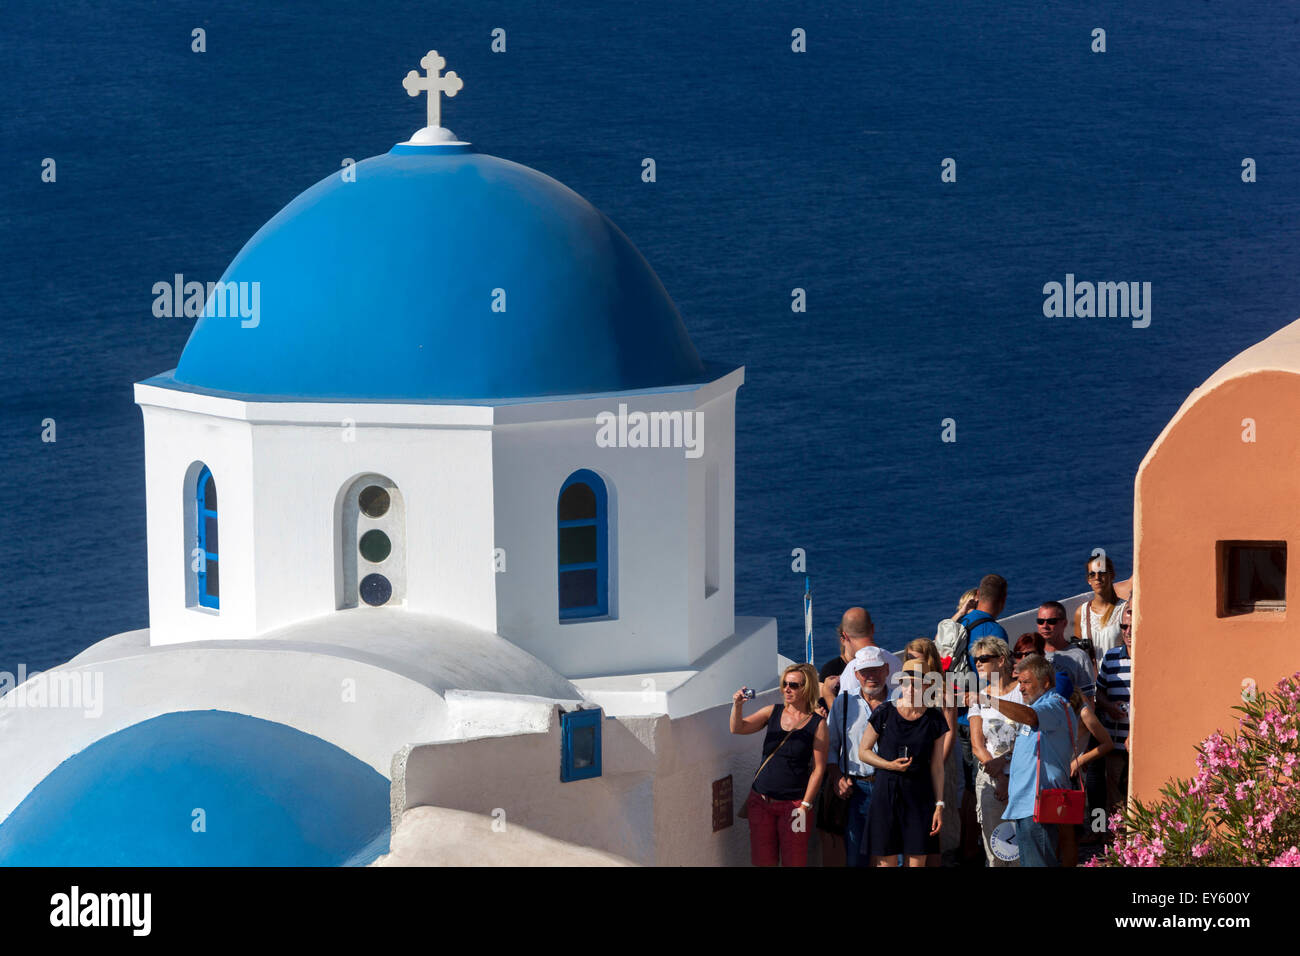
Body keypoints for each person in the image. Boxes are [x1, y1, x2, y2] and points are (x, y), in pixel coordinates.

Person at [731, 663, 828, 866]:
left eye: (793, 685)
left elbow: (819, 768)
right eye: (784, 683)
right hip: (761, 801)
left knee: (795, 860)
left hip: (794, 806)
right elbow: (738, 728)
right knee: (762, 860)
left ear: (806, 688)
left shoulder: (816, 723)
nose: (787, 689)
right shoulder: (772, 712)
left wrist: (805, 805)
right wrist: (737, 705)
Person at [984, 652, 1073, 867]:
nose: (1021, 688)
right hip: (1026, 804)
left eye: (1026, 682)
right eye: (1019, 682)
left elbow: (1031, 718)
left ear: (1046, 682)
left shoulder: (1054, 705)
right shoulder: (1037, 708)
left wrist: (988, 700)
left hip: (1040, 804)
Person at [858, 659, 949, 867]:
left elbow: (937, 766)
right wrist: (889, 765)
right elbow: (863, 752)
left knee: (917, 861)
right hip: (887, 793)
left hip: (920, 796)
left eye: (916, 683)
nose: (909, 688)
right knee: (886, 862)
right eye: (906, 683)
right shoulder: (885, 713)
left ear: (927, 686)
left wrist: (939, 804)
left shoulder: (934, 719)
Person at [953, 575, 1009, 862]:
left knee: (965, 789)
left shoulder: (957, 625)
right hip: (984, 721)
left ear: (977, 595)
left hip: (957, 717)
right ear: (1002, 600)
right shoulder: (994, 630)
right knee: (985, 785)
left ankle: (966, 849)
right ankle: (989, 848)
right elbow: (999, 679)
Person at [826, 647, 890, 866]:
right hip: (856, 791)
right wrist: (836, 778)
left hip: (892, 786)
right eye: (865, 672)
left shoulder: (901, 702)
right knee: (856, 858)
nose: (870, 676)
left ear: (886, 670)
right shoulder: (843, 703)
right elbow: (831, 746)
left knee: (895, 857)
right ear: (856, 675)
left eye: (876, 670)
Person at [966, 636, 1022, 867]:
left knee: (1021, 849)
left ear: (1001, 660)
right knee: (996, 849)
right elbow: (977, 745)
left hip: (1021, 777)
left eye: (984, 658)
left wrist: (1007, 762)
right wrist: (1000, 777)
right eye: (975, 659)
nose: (977, 663)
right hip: (990, 780)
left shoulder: (1022, 692)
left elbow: (1030, 734)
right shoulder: (978, 699)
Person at [903, 637, 959, 866]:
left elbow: (950, 733)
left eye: (916, 659)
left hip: (939, 765)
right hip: (914, 766)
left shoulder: (944, 691)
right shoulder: (907, 690)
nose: (912, 664)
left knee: (938, 828)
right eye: (908, 659)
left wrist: (936, 765)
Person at [1057, 687, 1114, 866]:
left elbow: (1106, 743)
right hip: (1069, 765)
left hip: (1085, 757)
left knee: (1097, 788)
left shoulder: (1083, 710)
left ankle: (1099, 830)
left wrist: (1080, 760)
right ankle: (1096, 831)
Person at [1096, 602, 1133, 825]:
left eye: (1132, 626)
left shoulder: (1150, 657)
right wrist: (1109, 706)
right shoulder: (1110, 658)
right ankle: (1117, 845)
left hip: (1140, 745)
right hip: (1115, 744)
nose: (1128, 632)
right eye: (1123, 627)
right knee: (1116, 799)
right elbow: (1098, 694)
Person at [835, 607, 903, 699]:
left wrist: (828, 694)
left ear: (845, 636)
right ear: (872, 628)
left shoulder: (852, 670)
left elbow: (845, 710)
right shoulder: (896, 662)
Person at [1073, 554, 1126, 668]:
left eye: (1102, 572)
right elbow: (1079, 653)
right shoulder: (1081, 613)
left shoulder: (1124, 609)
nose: (1097, 577)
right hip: (1093, 681)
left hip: (1119, 680)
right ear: (1088, 580)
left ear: (1112, 575)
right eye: (1092, 574)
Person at [1037, 602, 1095, 705]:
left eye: (1051, 621)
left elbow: (1088, 700)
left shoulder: (1079, 657)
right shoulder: (1032, 655)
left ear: (1064, 624)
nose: (1045, 626)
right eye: (1040, 621)